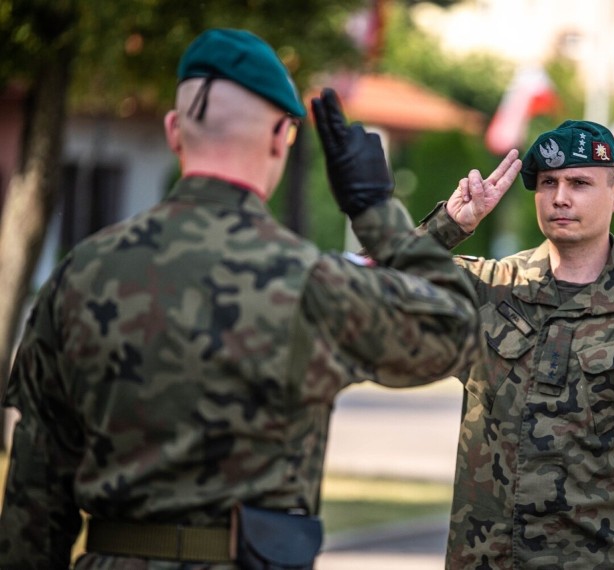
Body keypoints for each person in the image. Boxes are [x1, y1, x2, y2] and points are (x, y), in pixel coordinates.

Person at [0, 28, 480, 569]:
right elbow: (456, 330)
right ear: (281, 136)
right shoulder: (308, 281)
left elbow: (33, 506)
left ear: (174, 131)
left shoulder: (78, 277)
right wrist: (374, 209)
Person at [417, 120, 614, 569]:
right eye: (548, 183)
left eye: (579, 183)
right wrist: (449, 225)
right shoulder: (489, 288)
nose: (560, 197)